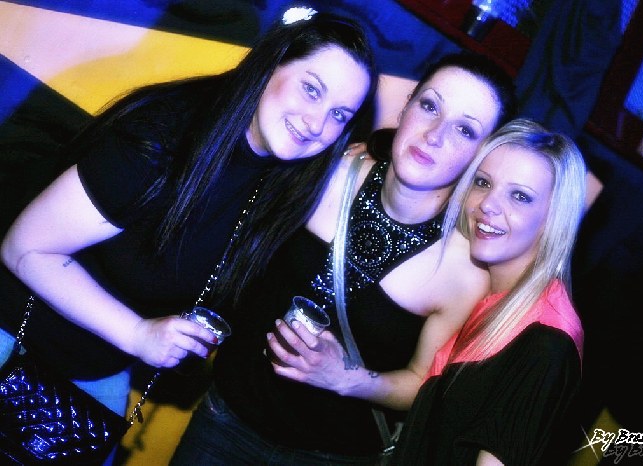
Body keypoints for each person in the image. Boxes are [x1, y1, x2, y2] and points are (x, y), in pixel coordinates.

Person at [0, 4, 376, 453]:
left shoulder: (277, 184)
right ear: (270, 65)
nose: (317, 124)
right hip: (13, 339)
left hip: (95, 369)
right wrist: (139, 334)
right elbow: (25, 248)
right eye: (311, 89)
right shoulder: (163, 136)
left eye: (339, 115)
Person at [170, 51, 518, 465]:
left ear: (483, 155)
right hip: (227, 425)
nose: (434, 135)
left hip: (334, 457)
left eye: (464, 129)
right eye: (429, 106)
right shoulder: (326, 173)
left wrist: (346, 379)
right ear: (406, 106)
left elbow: (421, 385)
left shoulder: (464, 272)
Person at [390, 118, 587, 465]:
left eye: (520, 196)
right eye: (483, 182)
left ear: (554, 217)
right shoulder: (487, 293)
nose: (488, 205)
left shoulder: (546, 344)